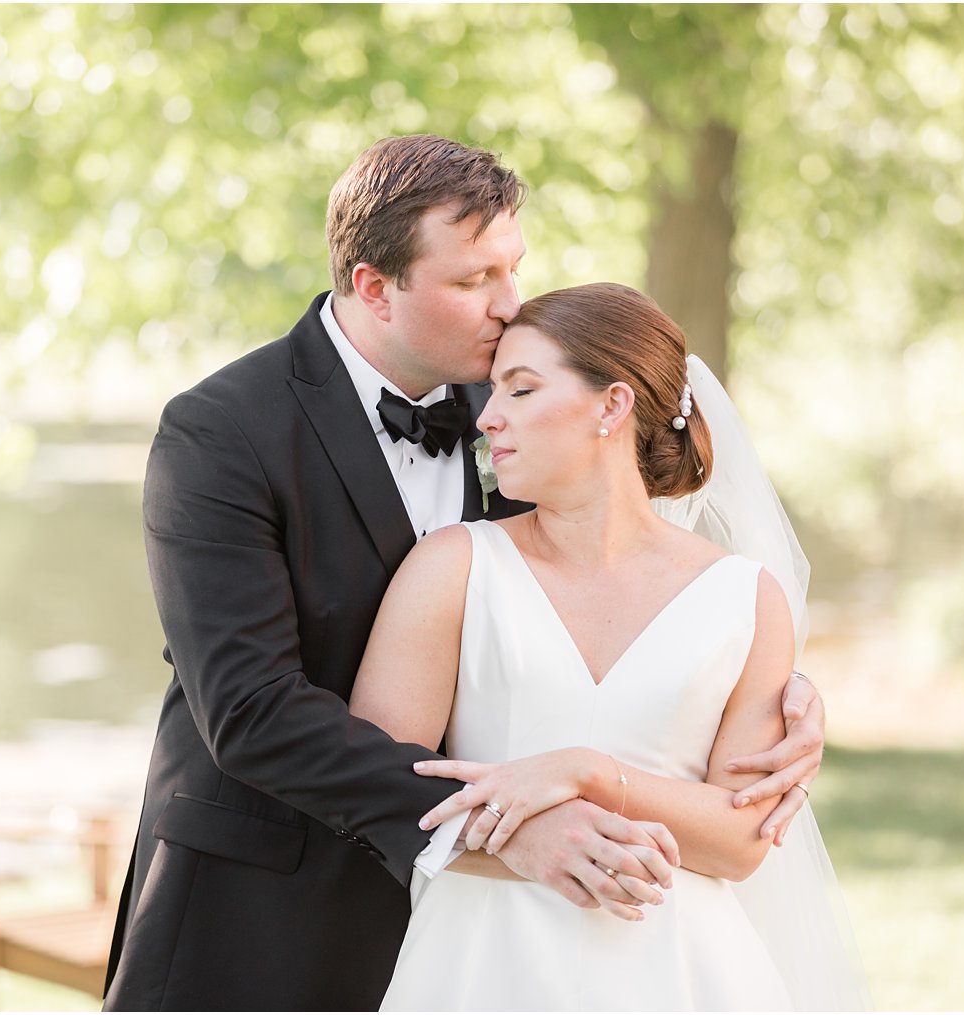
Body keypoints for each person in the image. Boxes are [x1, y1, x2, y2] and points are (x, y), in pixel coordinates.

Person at [104, 136, 829, 1010]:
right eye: (473, 281)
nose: (508, 304)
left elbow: (635, 590)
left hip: (500, 926)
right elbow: (251, 710)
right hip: (271, 903)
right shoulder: (222, 432)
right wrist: (515, 832)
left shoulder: (519, 406)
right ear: (375, 287)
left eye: (512, 269)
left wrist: (769, 697)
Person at [351, 283, 868, 1010]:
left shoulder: (745, 598)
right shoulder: (454, 566)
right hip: (482, 965)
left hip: (682, 974)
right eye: (491, 391)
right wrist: (523, 836)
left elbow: (741, 836)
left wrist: (590, 772)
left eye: (521, 389)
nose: (488, 417)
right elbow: (375, 786)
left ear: (611, 405)